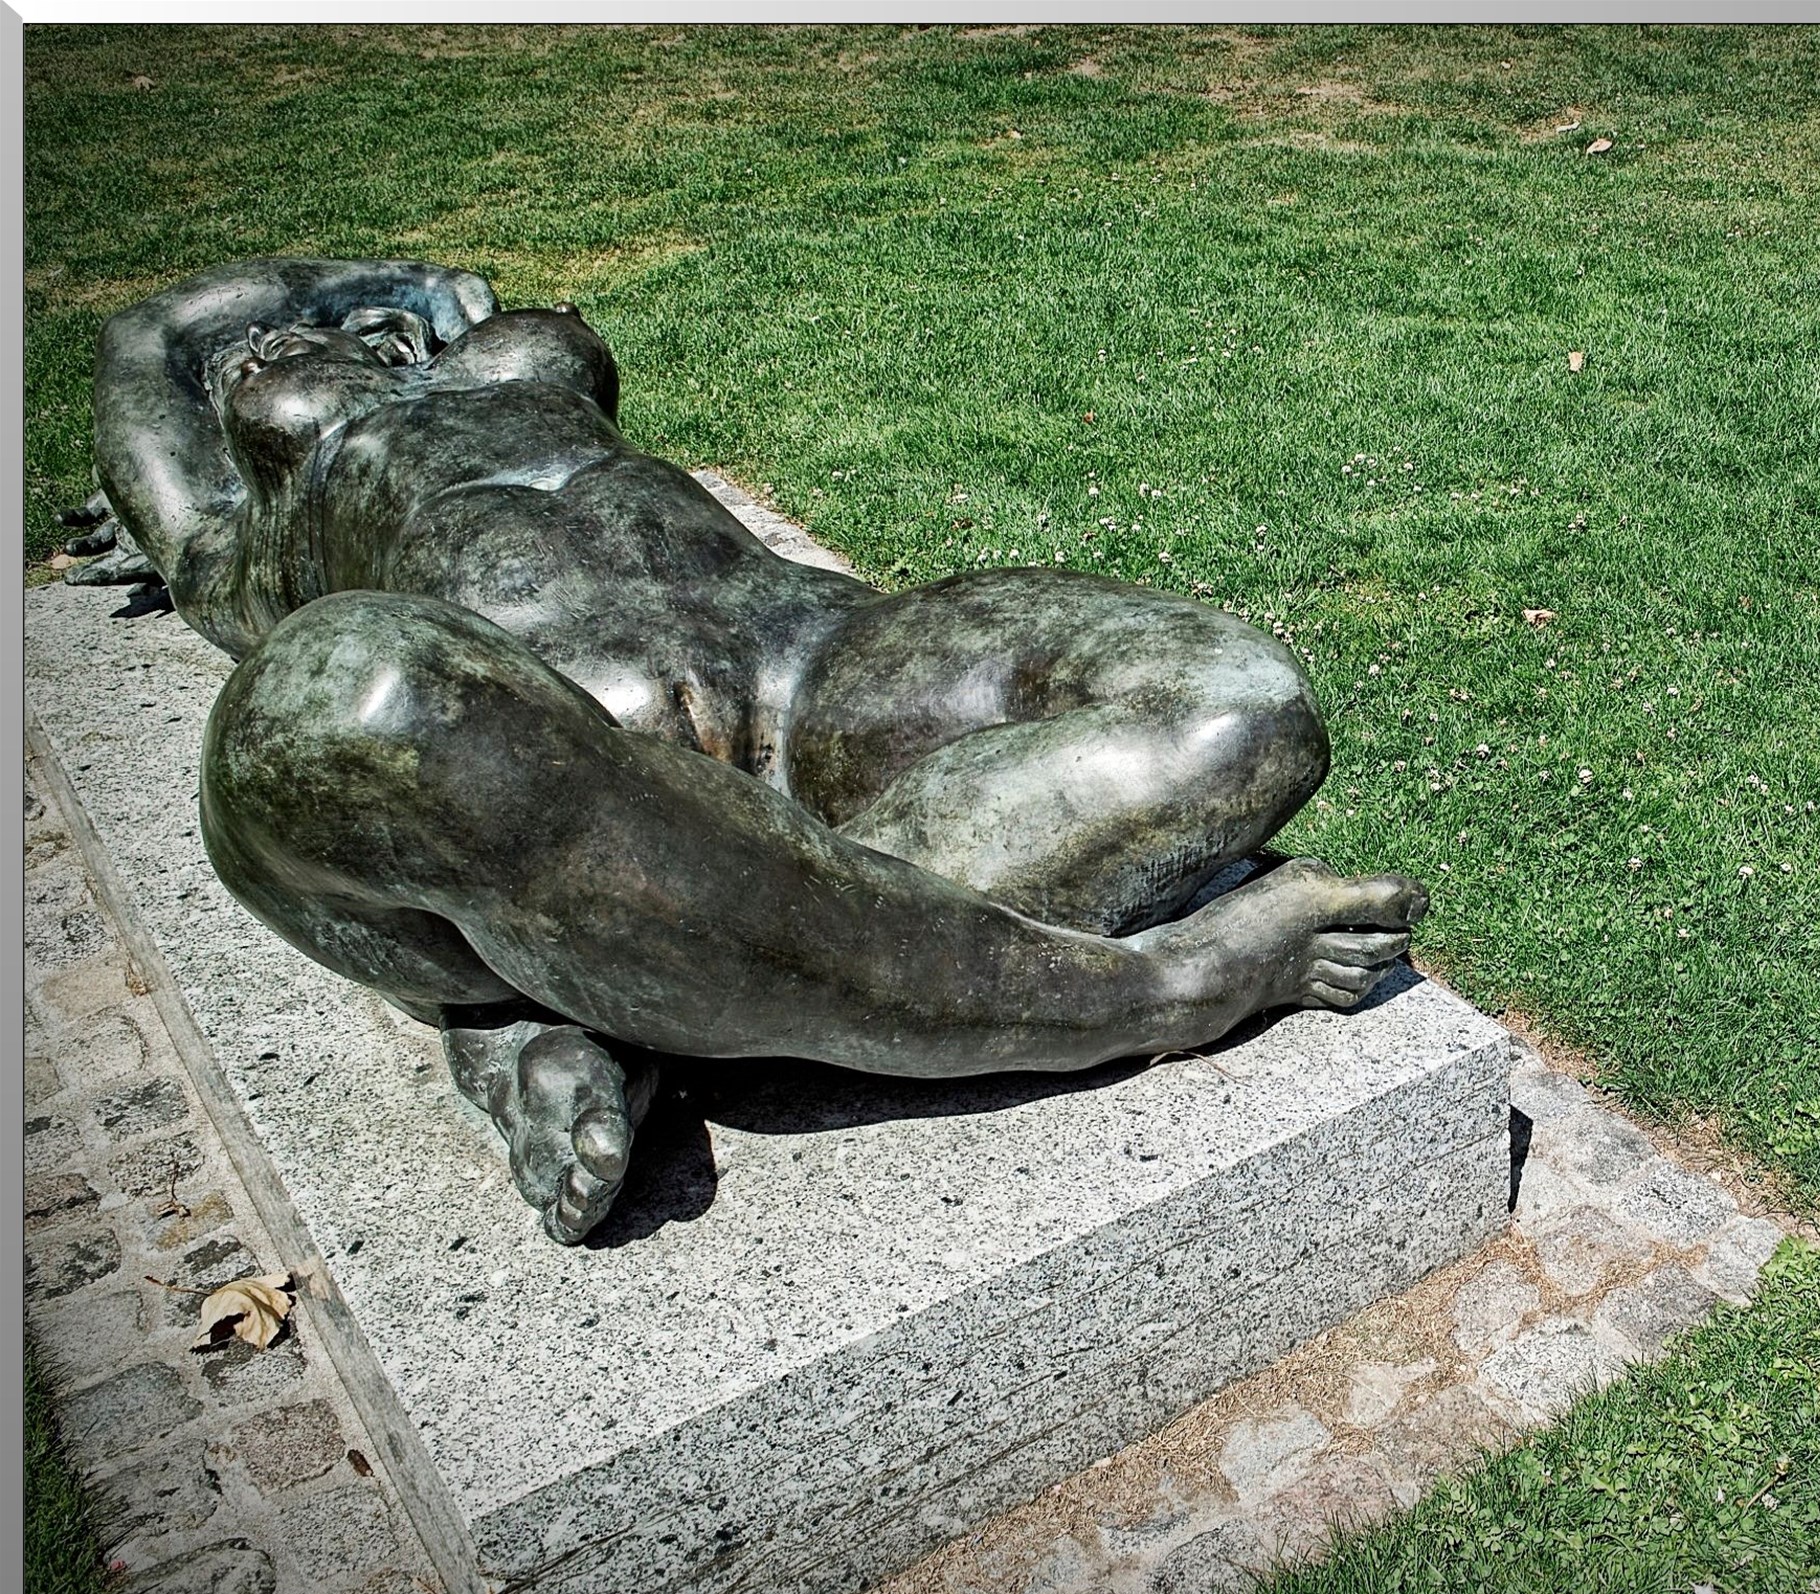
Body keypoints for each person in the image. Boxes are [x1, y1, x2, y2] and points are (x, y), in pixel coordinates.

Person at [81, 258, 1425, 1245]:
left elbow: (486, 326)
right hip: (546, 744)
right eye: (248, 373)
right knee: (355, 698)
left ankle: (636, 986)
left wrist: (398, 306)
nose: (271, 349)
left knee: (1235, 711)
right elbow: (145, 336)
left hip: (816, 659)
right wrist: (356, 283)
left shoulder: (503, 361)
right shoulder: (255, 542)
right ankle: (1165, 991)